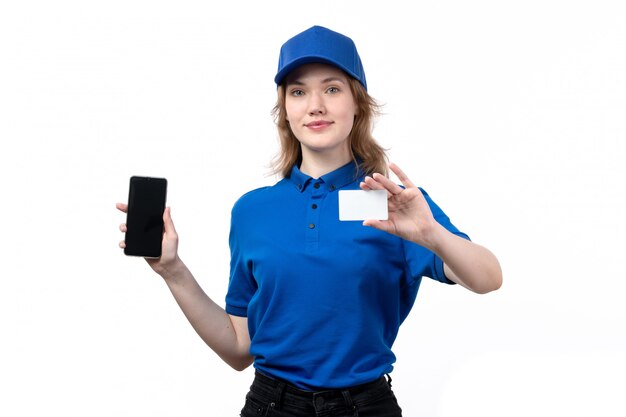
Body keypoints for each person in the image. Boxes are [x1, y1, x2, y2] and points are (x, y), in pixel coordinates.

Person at [117, 25, 502, 417]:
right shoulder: (252, 211)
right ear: (285, 108)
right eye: (298, 92)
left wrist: (432, 234)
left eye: (332, 89)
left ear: (358, 103)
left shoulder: (394, 204)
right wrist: (172, 270)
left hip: (365, 408)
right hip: (272, 406)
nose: (315, 105)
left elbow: (489, 278)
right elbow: (238, 349)